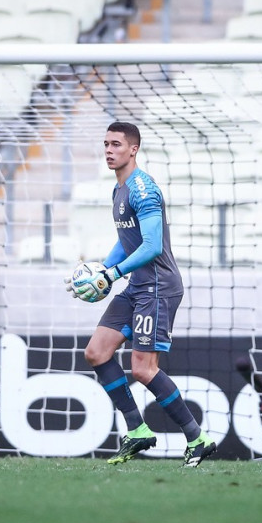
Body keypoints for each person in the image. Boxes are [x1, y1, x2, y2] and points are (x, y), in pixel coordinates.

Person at [66, 121, 216, 467]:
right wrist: (103, 270)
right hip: (137, 286)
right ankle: (137, 430)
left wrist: (114, 273)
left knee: (143, 369)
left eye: (116, 144)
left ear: (133, 149)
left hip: (158, 287)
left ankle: (198, 438)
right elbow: (127, 240)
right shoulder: (119, 190)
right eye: (105, 144)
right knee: (96, 352)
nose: (109, 150)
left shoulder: (143, 189)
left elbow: (151, 245)